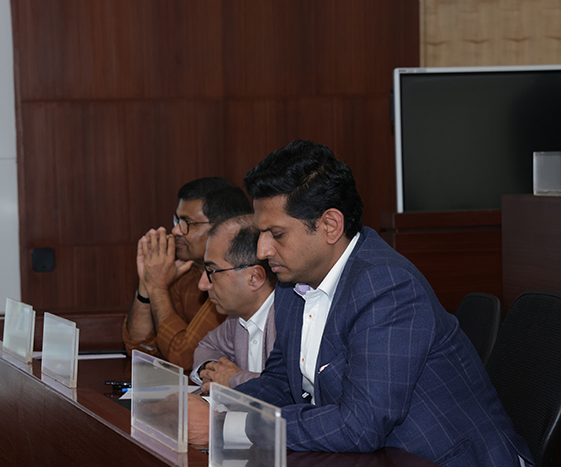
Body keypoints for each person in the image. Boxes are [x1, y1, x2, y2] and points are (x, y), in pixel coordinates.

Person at [188, 140, 533, 467]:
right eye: (261, 233)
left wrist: (231, 428)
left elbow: (360, 425)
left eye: (276, 234)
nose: (263, 250)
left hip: (444, 459)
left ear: (330, 225)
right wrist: (215, 407)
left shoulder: (385, 286)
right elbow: (281, 383)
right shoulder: (292, 284)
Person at [123, 178, 252, 370]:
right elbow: (139, 348)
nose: (175, 230)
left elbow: (184, 358)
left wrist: (157, 287)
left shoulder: (234, 280)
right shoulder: (184, 273)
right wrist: (146, 282)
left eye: (187, 223)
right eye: (177, 220)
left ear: (226, 228)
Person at [190, 214, 277, 393]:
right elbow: (207, 346)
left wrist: (233, 380)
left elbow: (288, 389)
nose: (203, 285)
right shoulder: (237, 319)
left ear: (254, 277)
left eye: (212, 271)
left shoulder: (291, 319)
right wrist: (212, 370)